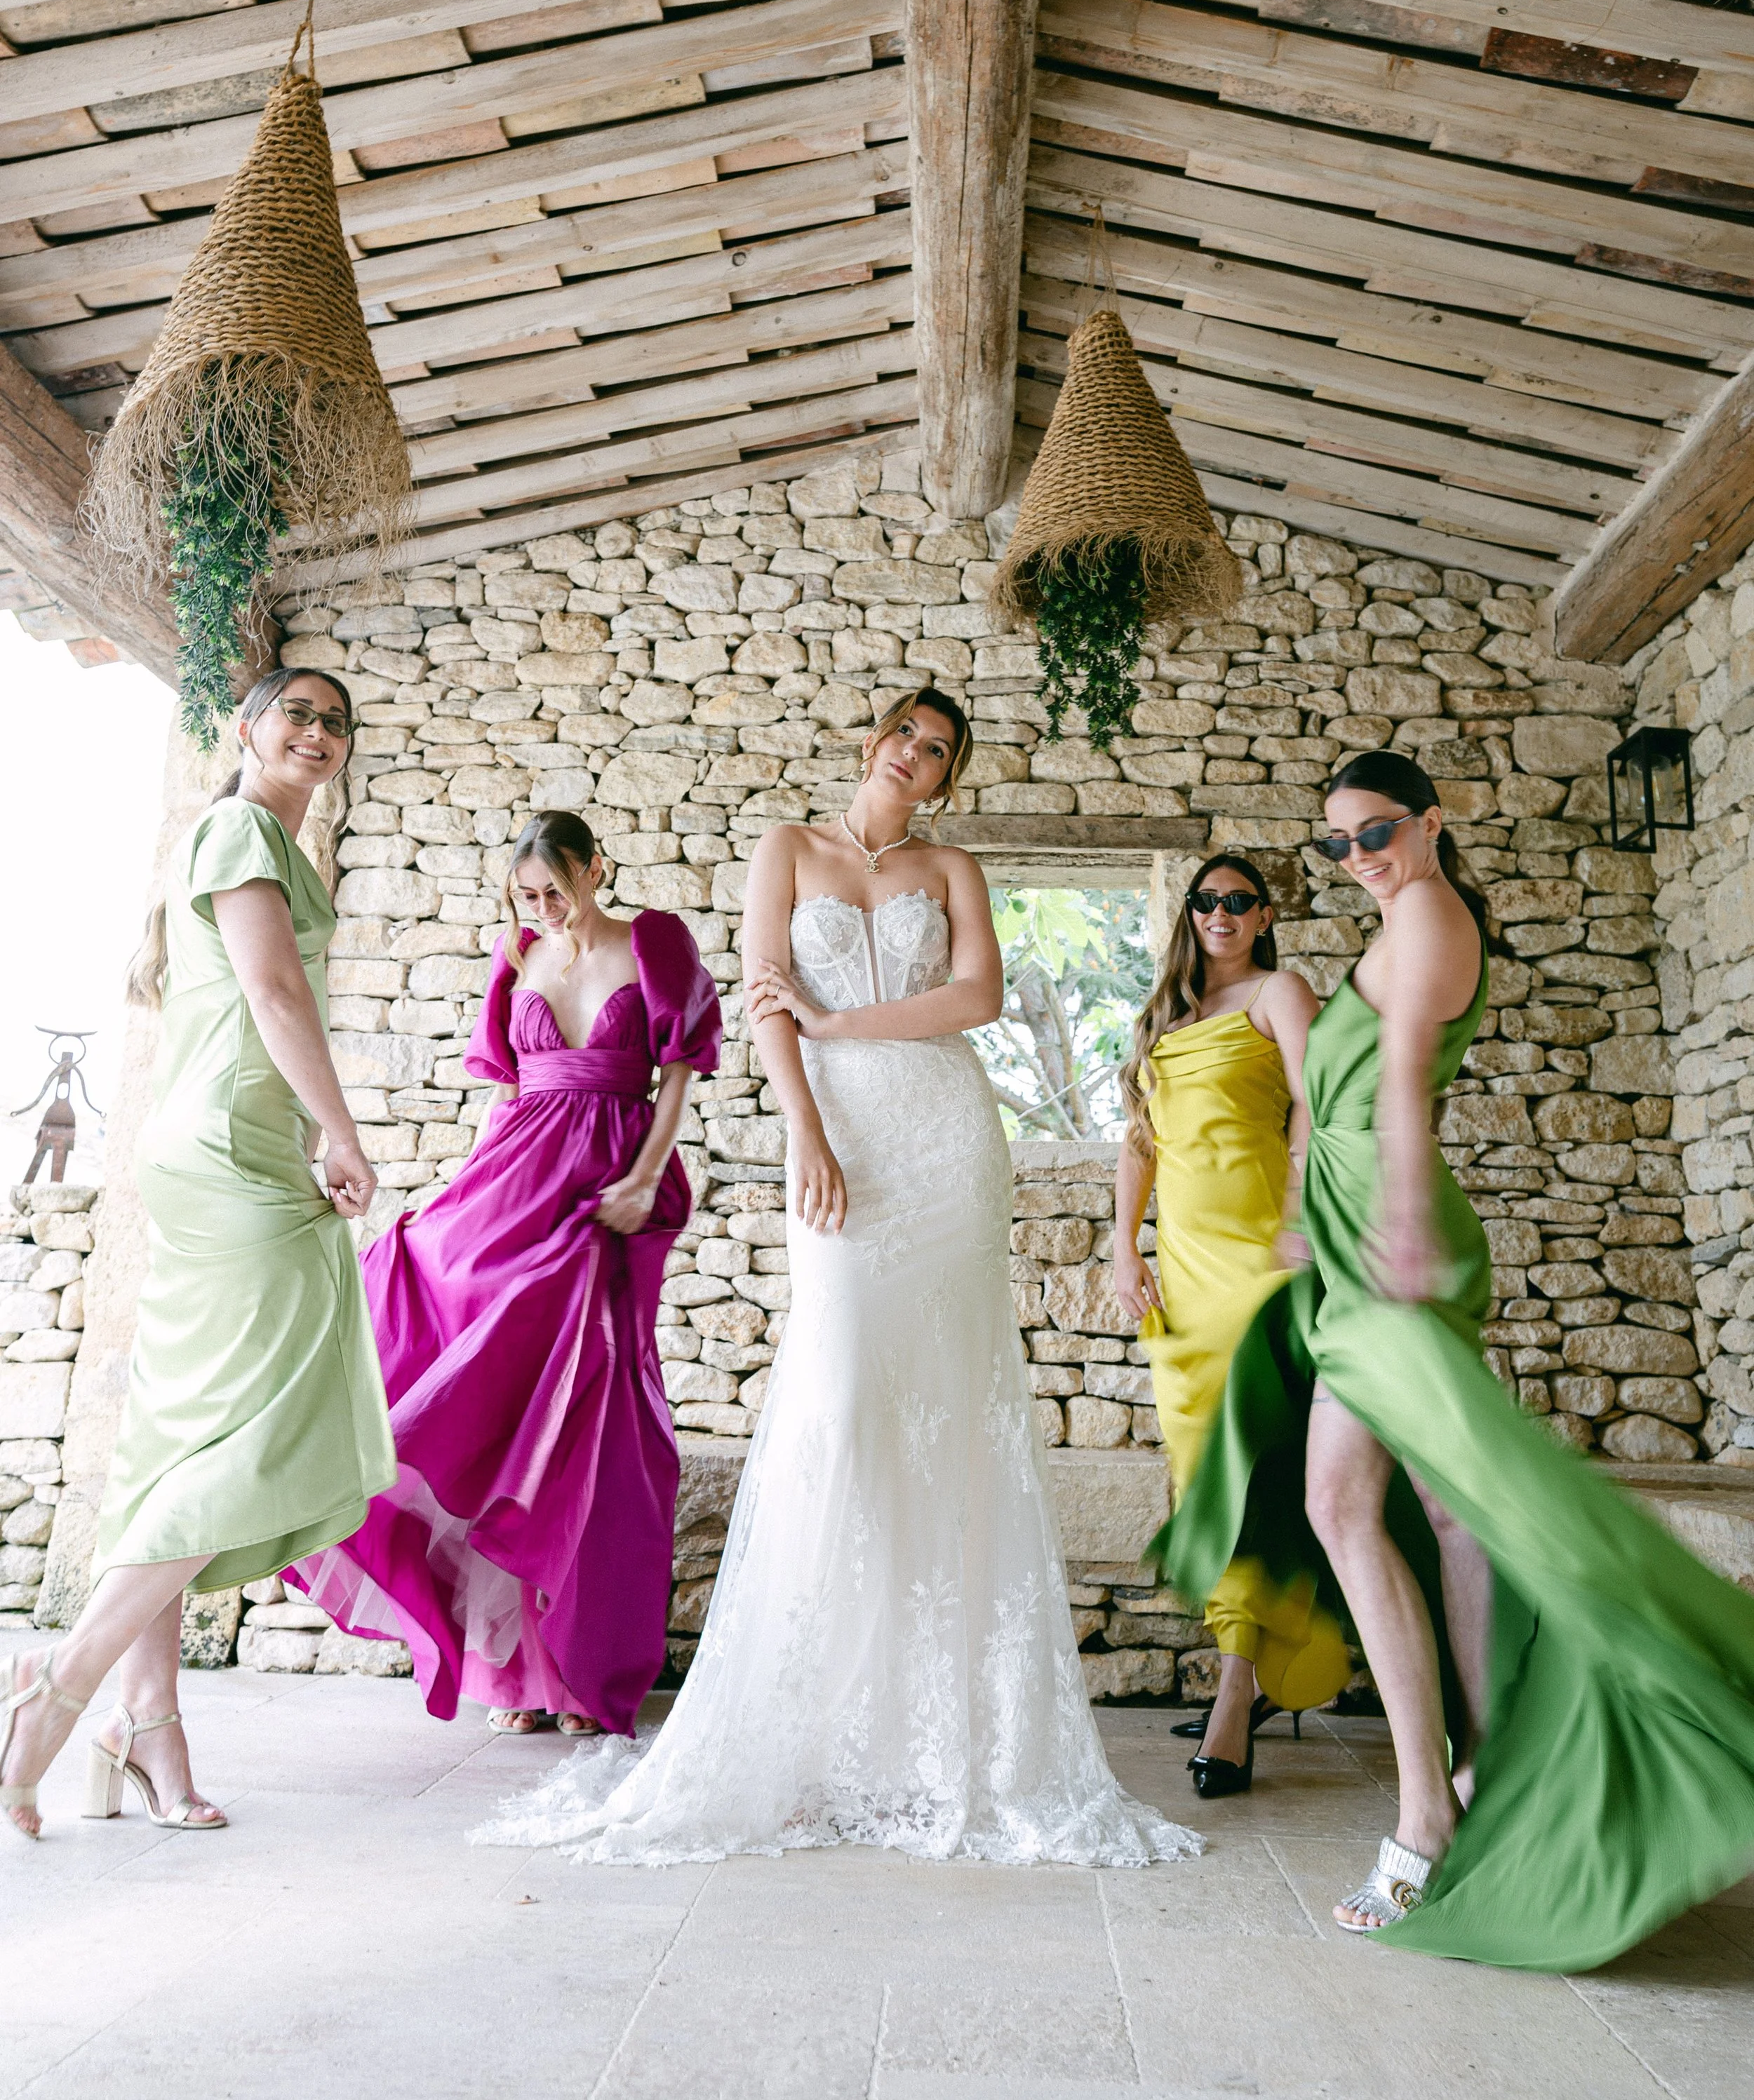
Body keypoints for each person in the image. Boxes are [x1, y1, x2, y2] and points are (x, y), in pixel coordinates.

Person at [482, 686, 1199, 1869]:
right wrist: (806, 1130)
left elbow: (979, 999)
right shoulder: (787, 849)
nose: (915, 755)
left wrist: (836, 1023)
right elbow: (767, 1002)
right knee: (845, 1399)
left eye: (939, 750)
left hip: (947, 1138)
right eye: (905, 734)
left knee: (954, 1412)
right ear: (874, 739)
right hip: (841, 1136)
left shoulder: (952, 867)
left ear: (949, 776)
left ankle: (945, 1736)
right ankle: (820, 1727)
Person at [1160, 750, 1754, 1967]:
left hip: (1392, 1236)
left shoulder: (1431, 917)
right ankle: (1475, 1767)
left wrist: (1399, 1226)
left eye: (1376, 832)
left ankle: (1432, 1808)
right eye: (1336, 844)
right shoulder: (1400, 923)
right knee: (1430, 1504)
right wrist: (1309, 1219)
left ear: (1431, 823)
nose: (1358, 858)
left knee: (1360, 1501)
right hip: (1352, 1233)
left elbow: (1402, 1094)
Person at [1, 668, 394, 1842]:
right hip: (232, 1150)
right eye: (298, 714)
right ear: (249, 728)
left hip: (220, 1142)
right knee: (259, 1423)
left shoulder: (267, 841)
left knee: (182, 1441)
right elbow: (272, 990)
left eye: (335, 722)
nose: (318, 731)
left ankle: (149, 1724)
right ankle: (60, 1683)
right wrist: (341, 1132)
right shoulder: (237, 831)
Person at [290, 810, 721, 1739]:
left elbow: (680, 1072)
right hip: (515, 1180)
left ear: (595, 868)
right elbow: (506, 1094)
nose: (541, 909)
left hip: (608, 1182)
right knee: (493, 1405)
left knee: (596, 1423)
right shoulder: (517, 952)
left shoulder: (655, 941)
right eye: (526, 896)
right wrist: (457, 1195)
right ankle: (514, 1672)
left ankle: (582, 1673)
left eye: (554, 890)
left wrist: (646, 1177)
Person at [1113, 853, 1347, 1799]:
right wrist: (1121, 1246)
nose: (1221, 912)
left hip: (1257, 1264)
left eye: (1239, 901)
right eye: (1206, 899)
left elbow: (1322, 1108)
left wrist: (1299, 1217)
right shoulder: (1163, 1016)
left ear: (1264, 916)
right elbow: (1141, 1140)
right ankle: (1246, 1669)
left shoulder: (1280, 993)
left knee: (1252, 1468)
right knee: (1200, 1472)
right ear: (1190, 912)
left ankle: (1235, 1696)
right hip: (1182, 1276)